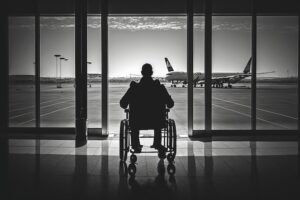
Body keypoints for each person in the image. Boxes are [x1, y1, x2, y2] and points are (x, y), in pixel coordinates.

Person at [120, 63, 174, 153]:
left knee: (134, 123)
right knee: (158, 121)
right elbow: (170, 104)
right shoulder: (160, 88)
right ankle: (157, 143)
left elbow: (123, 104)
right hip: (156, 121)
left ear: (141, 72)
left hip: (138, 121)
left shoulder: (134, 88)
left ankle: (135, 145)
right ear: (152, 73)